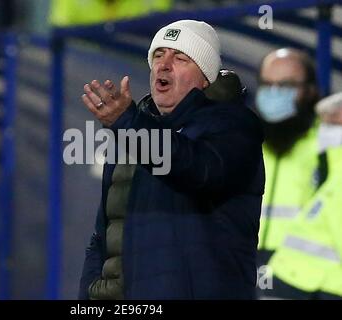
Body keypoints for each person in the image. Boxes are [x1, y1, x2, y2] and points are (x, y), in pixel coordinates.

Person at [79, 20, 265, 300]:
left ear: (206, 78)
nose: (163, 65)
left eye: (180, 57)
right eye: (158, 55)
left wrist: (128, 124)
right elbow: (102, 236)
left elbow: (199, 169)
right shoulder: (130, 132)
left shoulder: (234, 126)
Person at [265, 92, 342, 300]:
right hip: (292, 279)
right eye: (325, 123)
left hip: (309, 282)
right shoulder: (330, 168)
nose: (326, 130)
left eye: (334, 123)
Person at [255, 48, 323, 268]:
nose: (274, 92)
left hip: (304, 279)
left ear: (310, 91)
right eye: (267, 84)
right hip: (244, 271)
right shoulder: (245, 144)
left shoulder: (328, 147)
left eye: (285, 85)